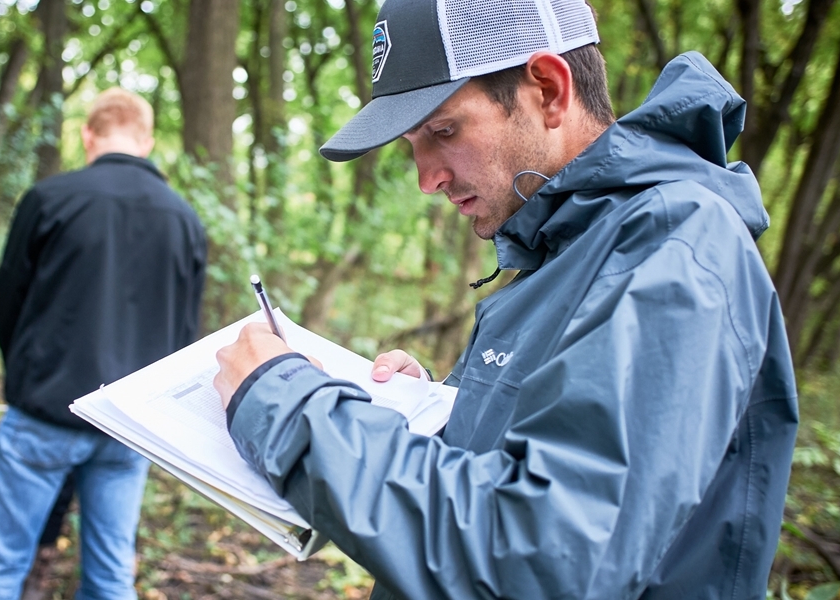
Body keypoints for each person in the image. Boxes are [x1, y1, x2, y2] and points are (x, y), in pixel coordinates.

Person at [212, 0, 798, 598]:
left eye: (443, 131)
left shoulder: (676, 244)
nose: (426, 178)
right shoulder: (564, 251)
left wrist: (291, 409)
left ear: (547, 89)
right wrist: (434, 415)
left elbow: (548, 558)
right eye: (413, 142)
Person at [0, 87, 207, 600]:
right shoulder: (184, 220)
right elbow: (186, 335)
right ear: (147, 141)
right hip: (128, 424)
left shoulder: (50, 198)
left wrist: (30, 376)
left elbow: (8, 301)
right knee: (111, 576)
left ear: (87, 134)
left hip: (46, 412)